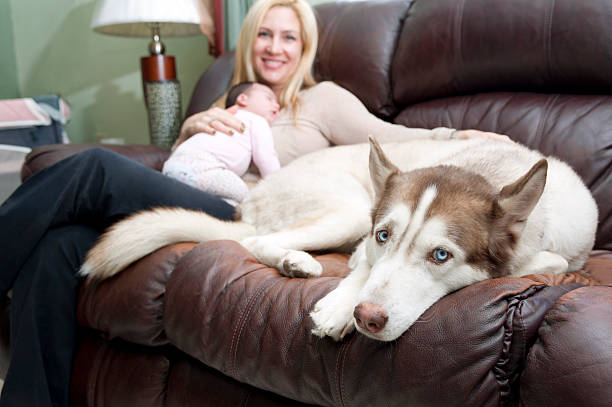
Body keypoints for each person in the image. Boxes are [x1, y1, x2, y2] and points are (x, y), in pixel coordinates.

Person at [0, 0, 510, 405]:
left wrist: (453, 135)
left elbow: (390, 138)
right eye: (265, 34)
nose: (275, 47)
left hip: (249, 210)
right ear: (249, 41)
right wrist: (191, 127)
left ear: (304, 48)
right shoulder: (228, 97)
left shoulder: (323, 98)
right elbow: (185, 165)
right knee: (59, 245)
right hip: (193, 193)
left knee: (94, 167)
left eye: (289, 37)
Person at [163, 81, 281, 205]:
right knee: (242, 193)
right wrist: (277, 183)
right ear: (243, 99)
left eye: (278, 103)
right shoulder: (256, 120)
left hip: (173, 166)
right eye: (269, 99)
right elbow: (266, 157)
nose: (277, 105)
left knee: (221, 199)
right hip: (203, 166)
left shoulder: (219, 119)